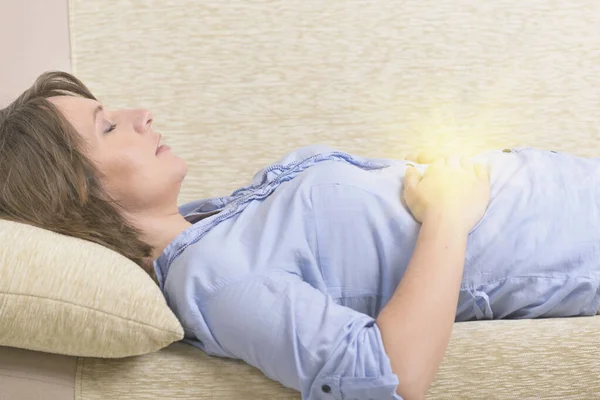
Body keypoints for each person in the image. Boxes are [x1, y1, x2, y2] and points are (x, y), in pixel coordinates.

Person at [2, 71, 599, 400]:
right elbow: (386, 377)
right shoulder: (215, 278)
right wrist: (446, 214)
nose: (143, 114)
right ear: (76, 194)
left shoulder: (213, 225)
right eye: (109, 126)